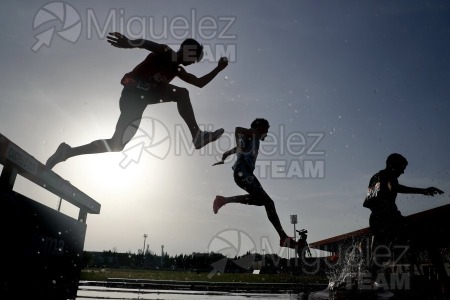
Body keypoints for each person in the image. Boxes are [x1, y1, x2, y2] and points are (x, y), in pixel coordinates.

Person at [46, 32, 228, 169]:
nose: (194, 62)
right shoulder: (166, 52)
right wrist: (128, 43)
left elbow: (199, 83)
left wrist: (218, 69)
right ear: (187, 52)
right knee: (181, 93)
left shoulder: (177, 70)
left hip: (142, 100)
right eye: (194, 58)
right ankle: (196, 135)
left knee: (117, 145)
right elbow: (147, 44)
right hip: (132, 95)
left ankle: (67, 152)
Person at [212, 118, 298, 249]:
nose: (267, 134)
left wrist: (223, 159)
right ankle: (283, 237)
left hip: (241, 174)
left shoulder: (250, 139)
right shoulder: (254, 133)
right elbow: (238, 129)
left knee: (261, 201)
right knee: (268, 203)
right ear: (261, 128)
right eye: (267, 130)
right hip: (243, 172)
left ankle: (223, 200)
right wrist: (238, 146)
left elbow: (227, 153)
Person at [363, 153, 444, 285]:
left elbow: (368, 203)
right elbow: (395, 187)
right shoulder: (388, 177)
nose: (403, 171)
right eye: (401, 167)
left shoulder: (375, 177)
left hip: (377, 221)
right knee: (428, 239)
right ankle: (443, 281)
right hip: (389, 221)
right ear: (391, 166)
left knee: (379, 259)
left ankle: (367, 285)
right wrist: (423, 191)